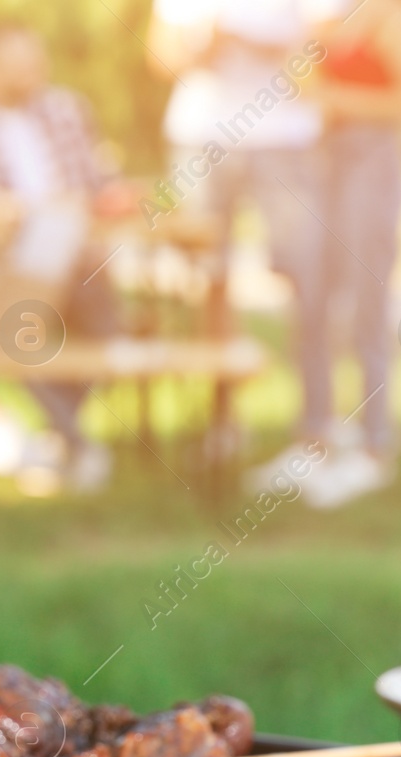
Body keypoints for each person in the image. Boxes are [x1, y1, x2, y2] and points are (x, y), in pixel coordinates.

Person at [146, 0, 347, 500]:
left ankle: (317, 431)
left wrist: (249, 41)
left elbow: (329, 43)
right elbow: (159, 53)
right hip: (199, 137)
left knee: (308, 282)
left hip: (285, 139)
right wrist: (200, 49)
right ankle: (221, 424)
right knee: (205, 280)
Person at [0, 23, 129, 497]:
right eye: (16, 63)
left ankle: (57, 436)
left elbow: (98, 184)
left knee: (109, 337)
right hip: (2, 264)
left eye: (34, 62)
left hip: (79, 257)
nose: (30, 74)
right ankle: (72, 441)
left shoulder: (67, 110)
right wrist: (21, 213)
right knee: (13, 317)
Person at [307, 0, 401, 508]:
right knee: (325, 305)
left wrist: (333, 97)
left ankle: (376, 447)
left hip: (373, 159)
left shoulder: (390, 17)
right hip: (333, 159)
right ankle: (329, 436)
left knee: (367, 307)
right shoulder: (337, 17)